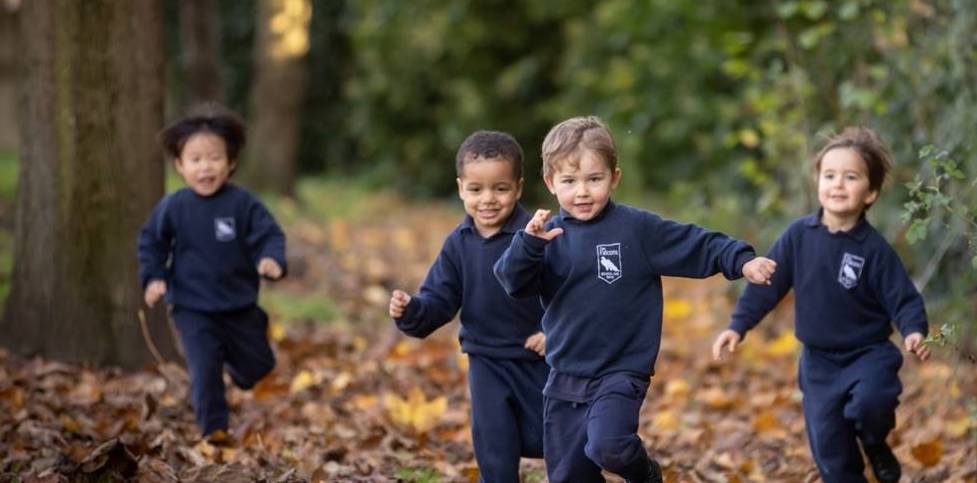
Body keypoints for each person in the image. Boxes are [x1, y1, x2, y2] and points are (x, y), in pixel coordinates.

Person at [493, 116, 776, 483]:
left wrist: (741, 260)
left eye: (594, 179)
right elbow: (512, 282)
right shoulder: (545, 238)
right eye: (569, 181)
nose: (582, 191)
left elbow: (695, 243)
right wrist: (527, 245)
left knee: (609, 445)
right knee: (567, 476)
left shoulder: (635, 230)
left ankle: (646, 474)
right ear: (550, 183)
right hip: (564, 373)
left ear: (614, 178)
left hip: (621, 370)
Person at [712, 126, 929, 483]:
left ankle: (874, 442)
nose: (838, 185)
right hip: (819, 363)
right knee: (831, 453)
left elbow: (902, 296)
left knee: (871, 405)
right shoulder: (799, 237)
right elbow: (768, 285)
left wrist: (914, 330)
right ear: (818, 183)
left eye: (851, 177)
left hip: (869, 354)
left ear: (871, 192)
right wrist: (738, 325)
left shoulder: (874, 249)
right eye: (829, 175)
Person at [388, 130, 548, 482]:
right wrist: (412, 311)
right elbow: (440, 299)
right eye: (476, 190)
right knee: (494, 444)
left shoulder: (537, 237)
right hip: (486, 360)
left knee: (554, 440)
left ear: (518, 188)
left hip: (543, 360)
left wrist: (555, 331)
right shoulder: (458, 244)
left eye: (500, 189)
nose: (487, 199)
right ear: (461, 188)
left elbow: (569, 293)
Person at [137, 102, 286, 441]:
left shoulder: (243, 204)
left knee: (258, 368)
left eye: (214, 158)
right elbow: (151, 242)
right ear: (180, 165)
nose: (206, 167)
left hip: (239, 305)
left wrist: (271, 259)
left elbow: (269, 234)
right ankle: (214, 433)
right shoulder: (173, 207)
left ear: (231, 162)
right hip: (192, 308)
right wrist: (154, 276)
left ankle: (240, 364)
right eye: (195, 159)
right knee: (205, 373)